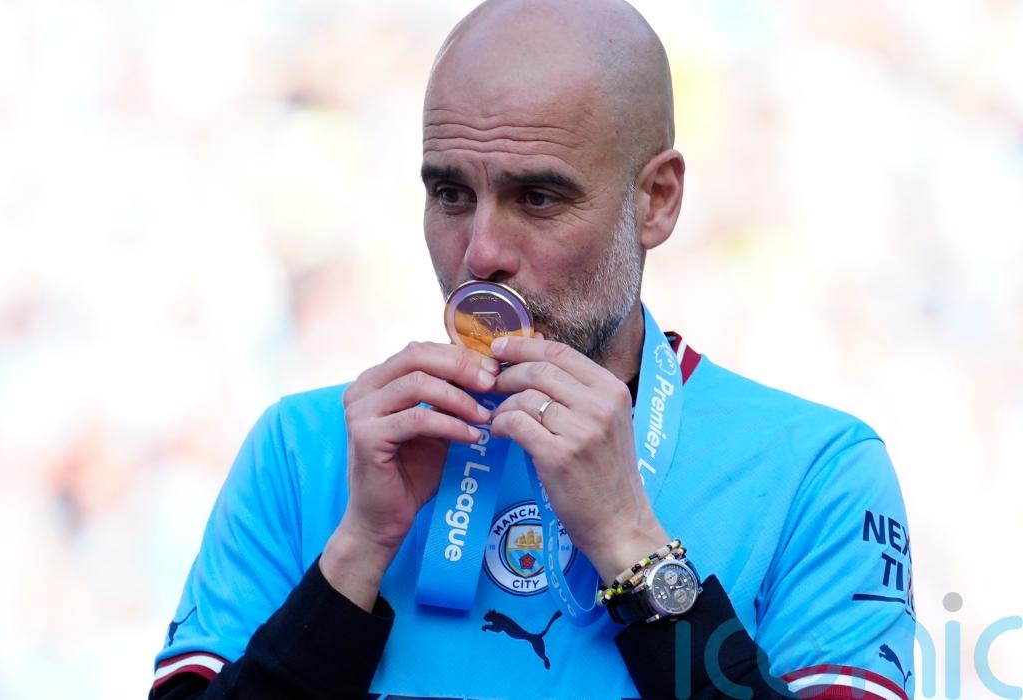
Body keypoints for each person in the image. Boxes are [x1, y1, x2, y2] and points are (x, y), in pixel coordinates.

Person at [150, 1, 916, 698]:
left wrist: (631, 545)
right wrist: (355, 553)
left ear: (656, 200)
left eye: (538, 198)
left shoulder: (818, 472)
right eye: (451, 193)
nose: (481, 252)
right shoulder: (301, 449)